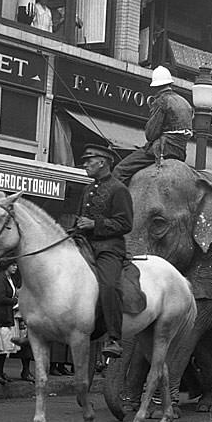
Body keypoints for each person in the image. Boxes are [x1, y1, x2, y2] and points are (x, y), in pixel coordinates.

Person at [76, 144, 133, 358]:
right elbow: (81, 218)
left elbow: (126, 223)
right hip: (83, 244)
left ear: (102, 162)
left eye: (89, 160)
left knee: (108, 285)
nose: (85, 164)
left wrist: (94, 224)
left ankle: (114, 338)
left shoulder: (119, 189)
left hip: (109, 248)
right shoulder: (87, 189)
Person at [112, 66, 194, 185]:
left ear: (155, 87)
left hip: (162, 149)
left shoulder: (162, 100)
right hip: (180, 152)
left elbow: (151, 134)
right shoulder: (185, 102)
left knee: (120, 170)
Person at [0, 262, 20, 385]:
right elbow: (1, 298)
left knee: (5, 346)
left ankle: (0, 372)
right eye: (13, 265)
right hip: (1, 315)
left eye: (16, 265)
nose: (15, 267)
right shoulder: (0, 278)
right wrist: (16, 301)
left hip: (8, 314)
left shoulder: (10, 278)